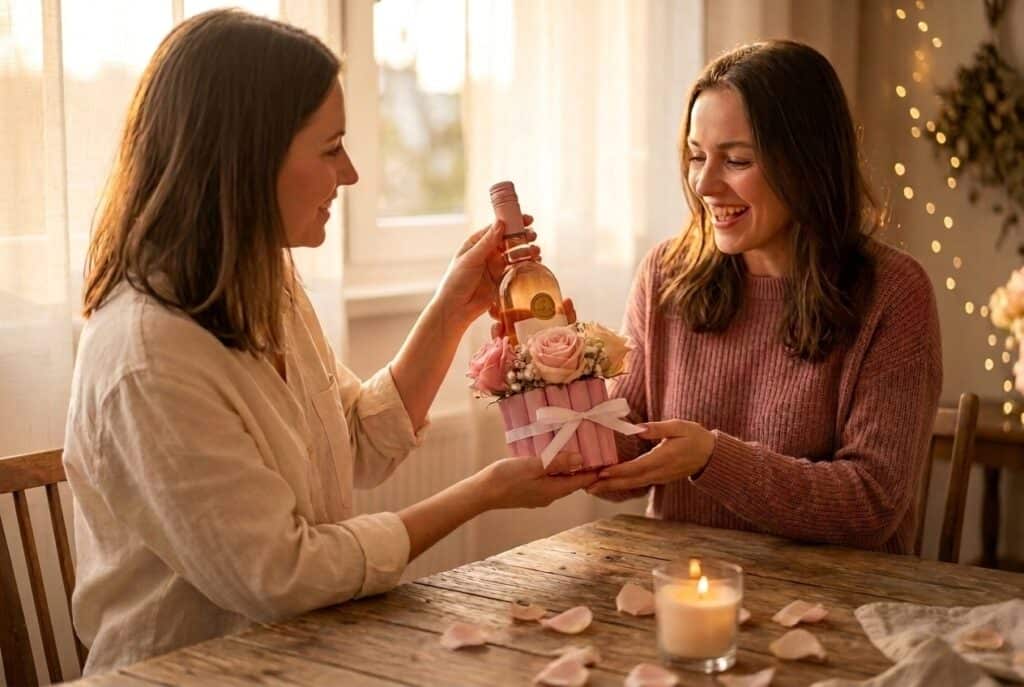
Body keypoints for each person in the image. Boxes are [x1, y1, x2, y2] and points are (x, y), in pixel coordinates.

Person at [63, 10, 595, 675]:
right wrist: (482, 492)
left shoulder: (265, 281)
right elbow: (282, 575)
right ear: (247, 160)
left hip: (304, 655)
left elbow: (358, 442)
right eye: (331, 148)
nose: (350, 174)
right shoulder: (147, 357)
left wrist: (453, 309)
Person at [588, 40, 942, 555]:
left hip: (836, 595)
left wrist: (713, 459)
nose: (704, 184)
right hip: (678, 583)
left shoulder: (893, 292)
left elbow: (871, 504)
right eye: (696, 156)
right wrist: (557, 403)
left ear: (806, 163)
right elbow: (628, 449)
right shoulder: (665, 274)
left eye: (736, 160)